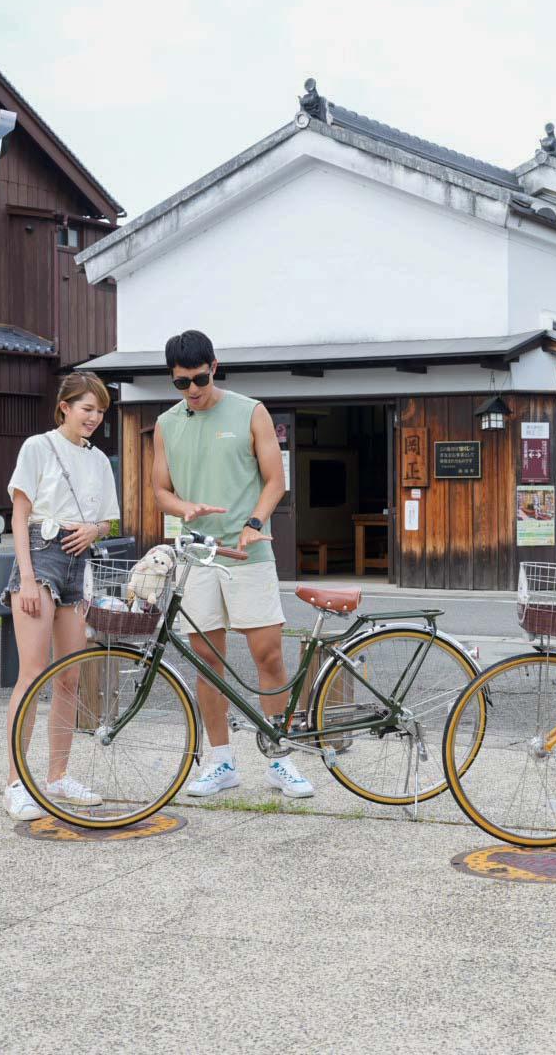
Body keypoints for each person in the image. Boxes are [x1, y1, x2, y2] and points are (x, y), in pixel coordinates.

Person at [153, 329, 313, 798]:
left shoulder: (250, 411)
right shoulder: (166, 423)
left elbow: (275, 479)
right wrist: (180, 508)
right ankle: (221, 761)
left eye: (199, 379)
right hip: (198, 556)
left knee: (268, 654)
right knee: (206, 660)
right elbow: (160, 489)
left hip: (248, 552)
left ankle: (280, 757)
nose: (193, 390)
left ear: (214, 367)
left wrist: (254, 520)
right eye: (181, 383)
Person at [0, 372, 122, 820]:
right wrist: (27, 579)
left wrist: (95, 529)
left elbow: (108, 521)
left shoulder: (99, 461)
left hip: (80, 560)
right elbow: (19, 515)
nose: (94, 417)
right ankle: (15, 783)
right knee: (32, 674)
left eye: (101, 411)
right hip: (40, 553)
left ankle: (57, 776)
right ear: (64, 407)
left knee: (69, 676)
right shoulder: (38, 446)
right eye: (87, 408)